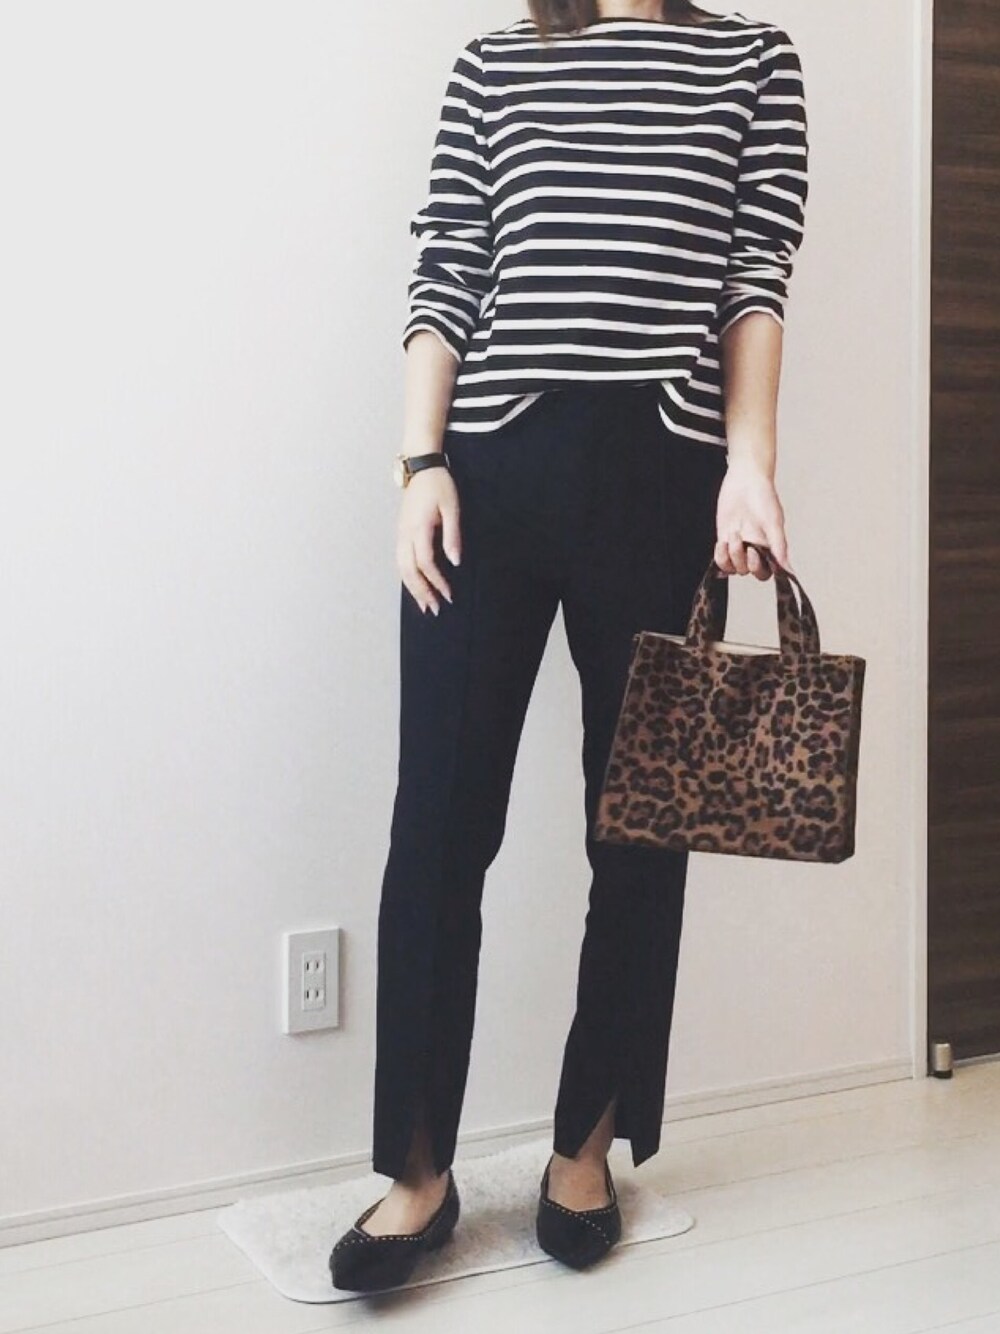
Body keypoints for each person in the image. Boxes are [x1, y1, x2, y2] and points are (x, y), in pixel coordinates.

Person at [331, 0, 808, 1290]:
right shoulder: (495, 64)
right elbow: (449, 265)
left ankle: (585, 1148)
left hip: (663, 483)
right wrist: (420, 463)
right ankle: (418, 1172)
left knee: (642, 827)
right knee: (438, 824)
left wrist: (750, 467)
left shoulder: (753, 60)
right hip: (485, 480)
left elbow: (754, 279)